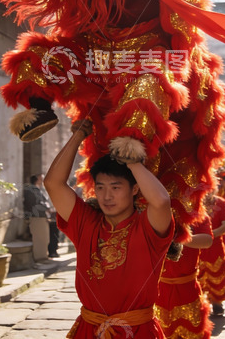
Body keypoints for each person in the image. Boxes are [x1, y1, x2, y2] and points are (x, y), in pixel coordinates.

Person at [44, 120, 174, 338]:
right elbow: (53, 184)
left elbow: (161, 202)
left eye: (116, 187)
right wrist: (78, 136)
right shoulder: (86, 222)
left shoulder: (147, 227)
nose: (106, 196)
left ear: (134, 189)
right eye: (100, 187)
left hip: (138, 331)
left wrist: (132, 161)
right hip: (89, 330)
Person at [155, 216, 214, 338]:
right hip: (158, 291)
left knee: (193, 331)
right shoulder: (154, 214)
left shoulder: (197, 216)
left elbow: (207, 240)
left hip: (188, 289)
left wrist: (177, 239)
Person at [198, 191, 225, 317]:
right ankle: (199, 304)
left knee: (217, 276)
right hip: (197, 248)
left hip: (215, 247)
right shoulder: (193, 203)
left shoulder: (221, 202)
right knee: (197, 278)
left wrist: (209, 235)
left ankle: (217, 302)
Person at [23, 174, 51, 262]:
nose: (42, 180)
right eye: (41, 178)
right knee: (39, 238)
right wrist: (46, 207)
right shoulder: (32, 189)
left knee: (44, 238)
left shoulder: (37, 189)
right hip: (36, 216)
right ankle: (40, 258)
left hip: (41, 216)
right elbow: (35, 204)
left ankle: (43, 256)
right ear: (37, 179)